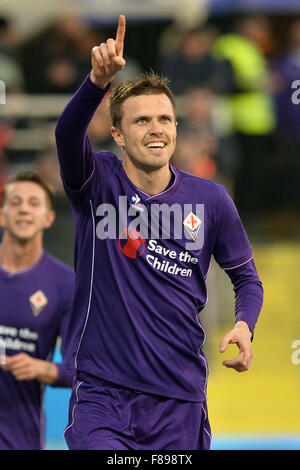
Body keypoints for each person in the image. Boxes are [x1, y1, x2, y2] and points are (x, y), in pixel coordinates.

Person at [55, 15, 263, 450]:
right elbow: (67, 132)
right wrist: (95, 82)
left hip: (180, 397)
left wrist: (244, 325)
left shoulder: (211, 199)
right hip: (102, 394)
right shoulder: (97, 181)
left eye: (165, 119)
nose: (156, 129)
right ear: (118, 133)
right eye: (142, 120)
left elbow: (246, 277)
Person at [0, 171, 75, 450]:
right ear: (2, 214)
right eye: (15, 202)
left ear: (48, 218)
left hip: (20, 439)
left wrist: (38, 368)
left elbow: (80, 371)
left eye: (33, 203)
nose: (23, 209)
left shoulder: (65, 286)